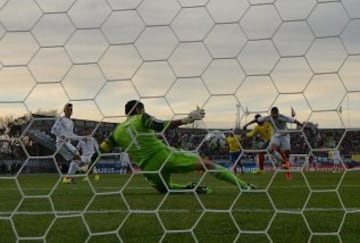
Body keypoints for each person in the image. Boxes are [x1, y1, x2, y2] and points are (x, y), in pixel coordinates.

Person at [94, 100, 256, 194]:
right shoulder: (141, 118)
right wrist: (187, 120)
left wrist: (89, 167)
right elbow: (161, 126)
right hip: (164, 157)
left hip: (149, 170)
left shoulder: (116, 132)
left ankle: (190, 188)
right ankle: (245, 186)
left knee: (167, 190)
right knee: (207, 164)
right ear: (138, 109)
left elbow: (101, 150)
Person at [244, 107, 303, 180]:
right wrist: (246, 125)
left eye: (276, 113)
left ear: (278, 113)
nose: (274, 115)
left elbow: (294, 121)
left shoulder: (282, 117)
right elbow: (257, 120)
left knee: (286, 154)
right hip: (276, 136)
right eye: (273, 114)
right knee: (271, 150)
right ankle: (281, 164)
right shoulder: (268, 118)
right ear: (271, 113)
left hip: (285, 136)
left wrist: (302, 126)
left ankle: (287, 171)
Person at [51, 103, 82, 184]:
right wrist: (62, 136)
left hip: (67, 143)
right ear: (64, 111)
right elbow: (53, 130)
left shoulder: (71, 122)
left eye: (71, 110)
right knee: (77, 157)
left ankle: (68, 178)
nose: (69, 111)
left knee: (76, 159)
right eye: (68, 110)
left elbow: (71, 135)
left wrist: (82, 138)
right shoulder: (60, 119)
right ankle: (68, 177)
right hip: (61, 143)